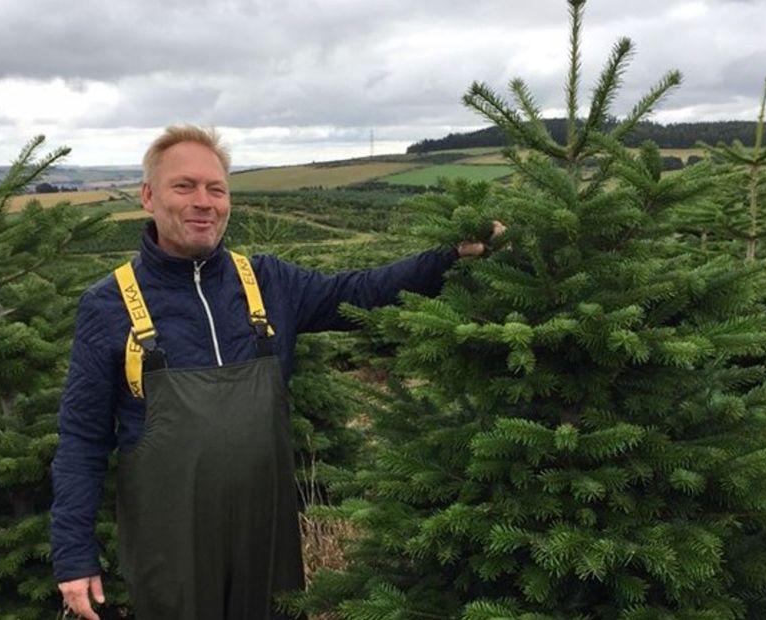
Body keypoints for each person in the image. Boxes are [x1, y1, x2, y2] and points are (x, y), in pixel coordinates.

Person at [51, 125, 500, 619]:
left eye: (216, 188)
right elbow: (82, 437)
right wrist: (73, 555)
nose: (204, 201)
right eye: (185, 186)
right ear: (148, 196)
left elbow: (362, 291)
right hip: (169, 544)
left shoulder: (267, 282)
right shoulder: (109, 304)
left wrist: (448, 257)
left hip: (265, 535)